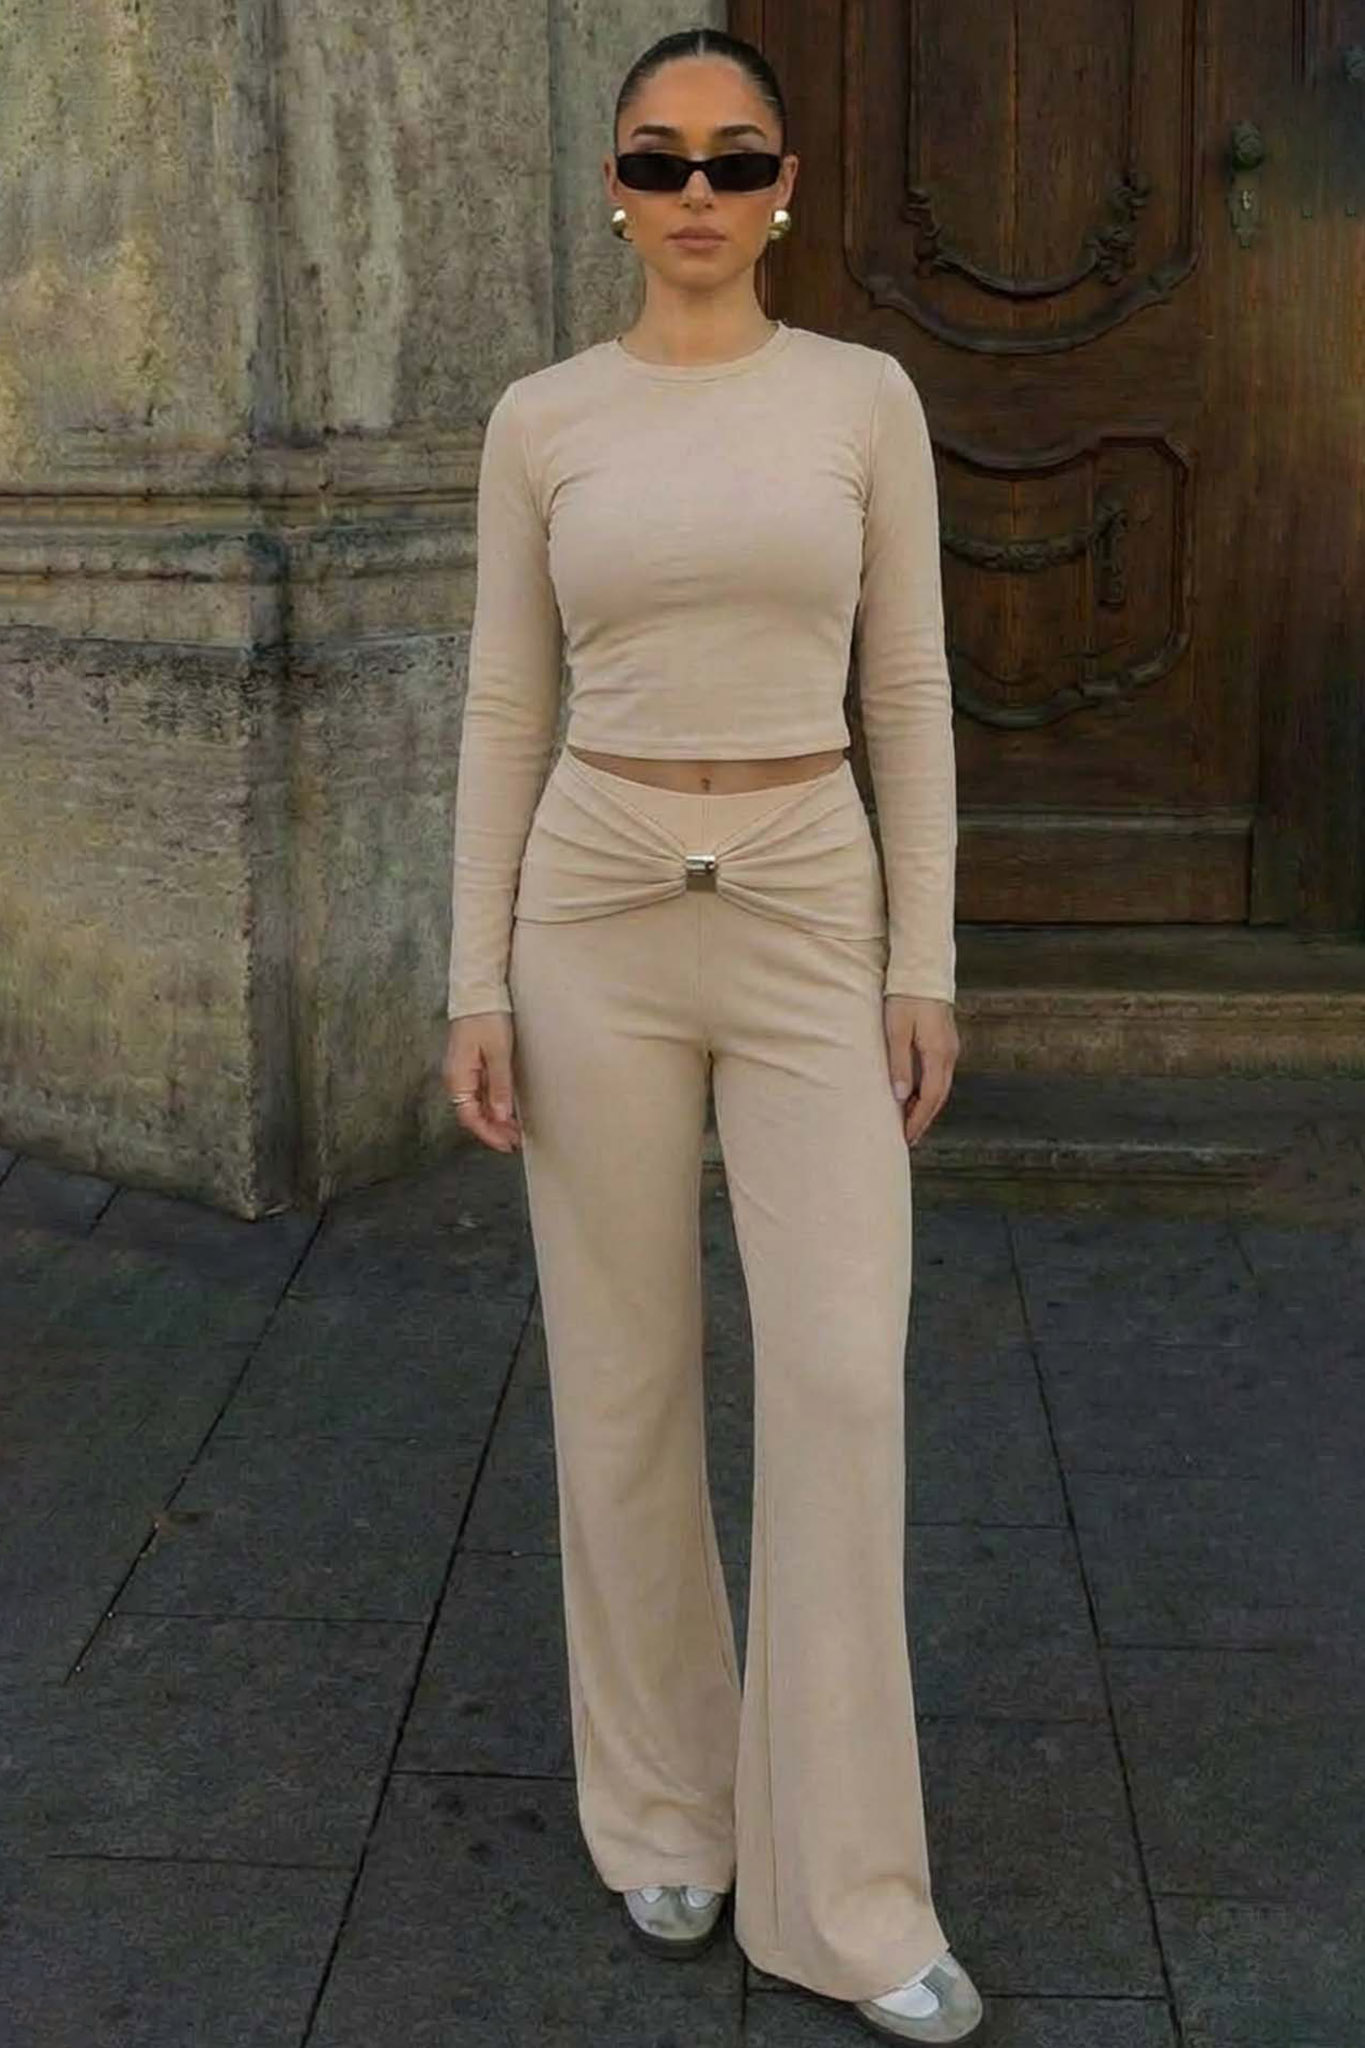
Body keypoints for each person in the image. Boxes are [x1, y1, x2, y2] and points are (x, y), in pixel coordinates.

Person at [441, 26, 981, 2045]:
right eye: (657, 157)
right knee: (621, 1376)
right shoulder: (540, 420)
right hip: (589, 913)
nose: (693, 189)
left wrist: (921, 958)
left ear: (782, 190)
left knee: (838, 1375)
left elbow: (905, 682)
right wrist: (472, 978)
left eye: (731, 157)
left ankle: (844, 1890)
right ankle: (662, 1808)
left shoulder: (860, 398)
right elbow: (506, 698)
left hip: (806, 905)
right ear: (613, 185)